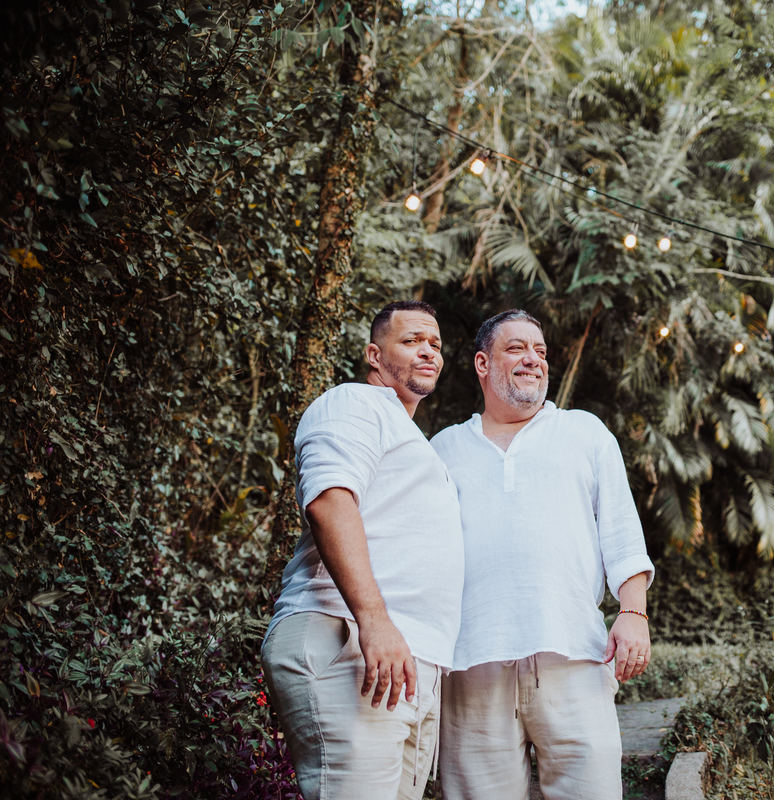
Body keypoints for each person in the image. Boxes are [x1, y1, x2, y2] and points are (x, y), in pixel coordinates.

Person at [430, 308, 654, 800]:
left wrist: (633, 611)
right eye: (517, 348)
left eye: (541, 351)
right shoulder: (443, 449)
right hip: (473, 663)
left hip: (573, 653)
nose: (534, 359)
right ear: (483, 364)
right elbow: (423, 554)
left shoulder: (585, 433)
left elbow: (621, 529)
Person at [261, 300, 464, 800]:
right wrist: (374, 619)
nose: (428, 352)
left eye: (435, 344)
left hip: (406, 662)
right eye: (412, 340)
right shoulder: (353, 402)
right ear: (375, 355)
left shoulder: (412, 438)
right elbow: (329, 502)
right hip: (350, 638)